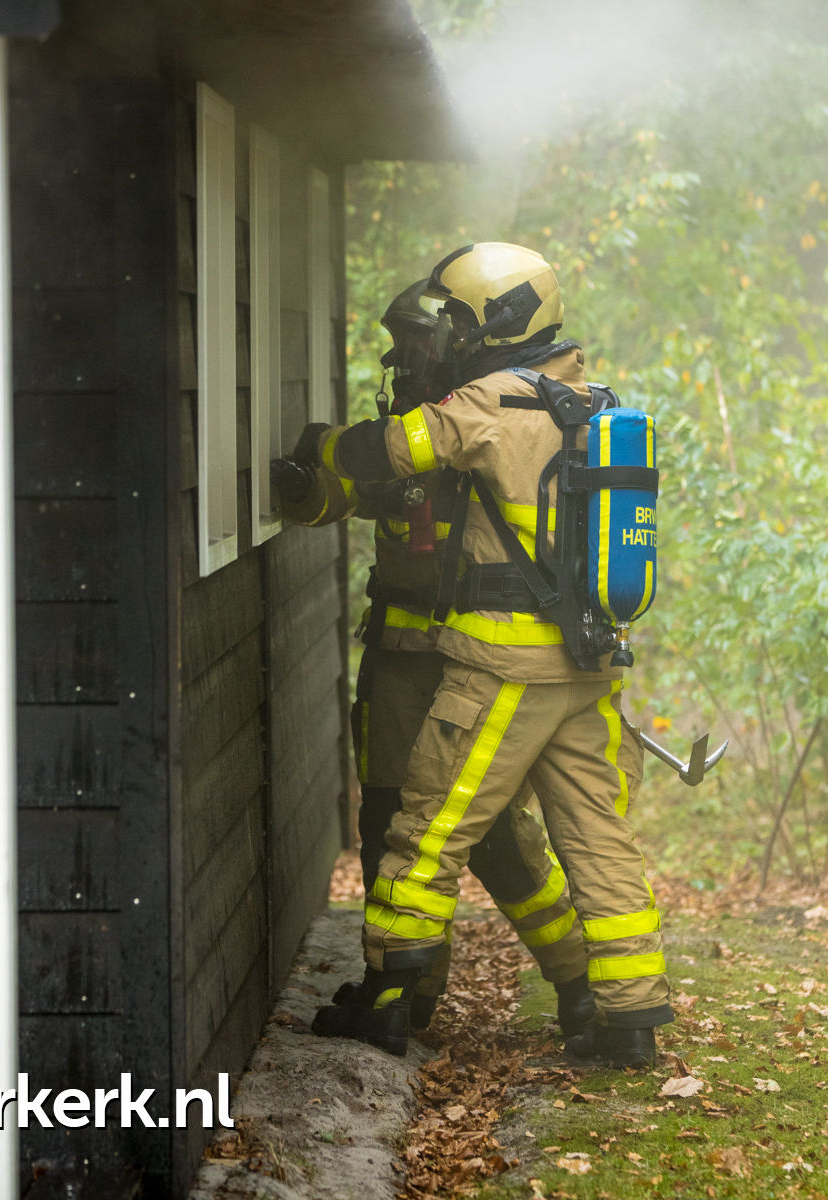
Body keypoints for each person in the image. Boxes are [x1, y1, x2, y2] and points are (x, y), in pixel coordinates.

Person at [283, 243, 673, 1068]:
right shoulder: (588, 403)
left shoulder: (491, 400)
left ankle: (390, 1000)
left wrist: (325, 447)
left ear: (501, 321)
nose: (452, 335)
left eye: (461, 320)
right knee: (597, 837)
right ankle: (630, 1018)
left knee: (426, 829)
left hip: (503, 665)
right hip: (585, 667)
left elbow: (393, 452)